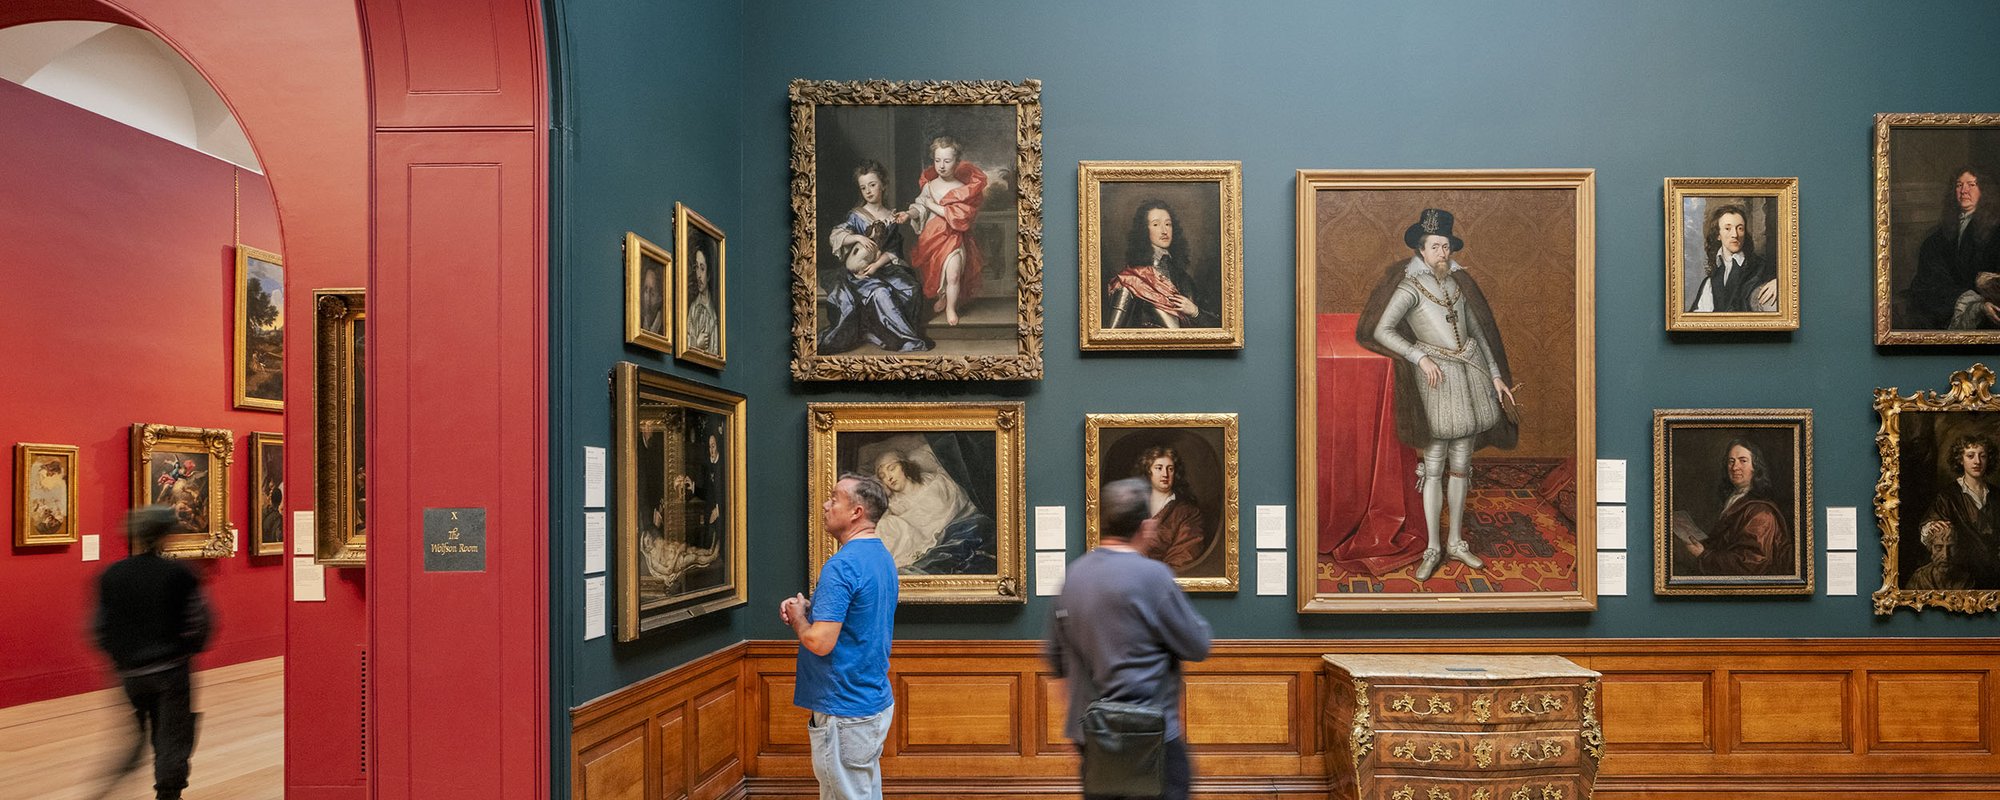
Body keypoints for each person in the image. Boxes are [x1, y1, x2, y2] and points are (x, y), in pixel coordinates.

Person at [1356, 208, 1518, 581]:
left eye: (1447, 246)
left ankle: (1457, 542)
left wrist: (1494, 374)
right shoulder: (1409, 287)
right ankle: (1432, 547)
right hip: (1437, 379)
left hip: (1471, 373)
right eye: (1435, 247)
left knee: (1462, 464)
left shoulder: (1458, 283)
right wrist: (1419, 355)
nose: (1443, 253)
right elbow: (1381, 330)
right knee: (1434, 464)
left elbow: (1478, 331)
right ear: (1421, 250)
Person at [1046, 477, 1212, 800]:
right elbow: (1198, 644)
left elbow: (1056, 661)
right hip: (1151, 739)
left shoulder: (1073, 577)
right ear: (1145, 527)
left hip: (1092, 738)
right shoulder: (1154, 577)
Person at [782, 473, 899, 800]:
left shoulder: (842, 566)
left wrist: (798, 620)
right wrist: (807, 609)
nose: (825, 504)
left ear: (856, 512)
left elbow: (820, 641)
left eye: (834, 499)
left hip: (844, 708)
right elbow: (853, 622)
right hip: (869, 703)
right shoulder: (881, 558)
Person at [93, 505, 213, 800]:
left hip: (130, 672)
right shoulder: (179, 574)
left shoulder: (112, 574)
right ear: (165, 534)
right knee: (173, 735)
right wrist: (187, 649)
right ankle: (168, 793)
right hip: (170, 669)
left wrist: (120, 657)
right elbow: (199, 621)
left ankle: (109, 783)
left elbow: (99, 626)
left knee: (135, 735)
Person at [820, 160, 932, 354]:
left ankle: (882, 332)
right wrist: (856, 237)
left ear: (883, 185)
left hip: (882, 268)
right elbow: (836, 235)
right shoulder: (856, 215)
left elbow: (894, 250)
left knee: (911, 288)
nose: (868, 191)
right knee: (881, 292)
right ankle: (905, 340)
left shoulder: (892, 216)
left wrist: (877, 265)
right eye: (863, 188)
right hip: (859, 274)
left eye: (872, 185)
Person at [1673, 439, 1793, 575]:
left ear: (1755, 466)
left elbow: (1751, 564)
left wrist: (1704, 554)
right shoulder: (1735, 499)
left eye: (1743, 460)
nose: (1735, 467)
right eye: (1731, 461)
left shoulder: (1761, 512)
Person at [1904, 166, 2000, 330]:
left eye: (1971, 185)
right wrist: (1974, 304)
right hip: (1950, 307)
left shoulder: (1996, 232)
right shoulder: (1936, 238)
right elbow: (1930, 280)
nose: (1964, 191)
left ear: (1984, 190)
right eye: (1959, 185)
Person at [906, 136, 987, 327]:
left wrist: (931, 204)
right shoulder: (929, 186)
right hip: (931, 238)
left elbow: (959, 217)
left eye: (947, 161)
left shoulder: (962, 189)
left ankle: (951, 307)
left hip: (955, 238)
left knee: (953, 274)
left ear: (957, 162)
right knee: (935, 273)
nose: (941, 166)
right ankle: (942, 296)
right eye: (937, 160)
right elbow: (920, 207)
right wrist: (909, 214)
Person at [870, 448, 992, 573]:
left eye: (892, 468)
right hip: (922, 540)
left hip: (952, 528)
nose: (889, 477)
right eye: (882, 476)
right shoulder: (893, 505)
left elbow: (957, 503)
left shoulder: (937, 484)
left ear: (904, 465)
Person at [1105, 200, 1218, 329]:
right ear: (1143, 230)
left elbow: (1217, 329)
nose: (1164, 231)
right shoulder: (1130, 280)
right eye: (1156, 224)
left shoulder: (1184, 279)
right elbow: (1112, 336)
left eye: (1168, 224)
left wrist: (1195, 312)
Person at [1918, 435, 1999, 587]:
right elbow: (1928, 526)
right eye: (1970, 456)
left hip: (1994, 572)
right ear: (1961, 460)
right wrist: (1931, 527)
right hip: (1963, 574)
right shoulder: (1948, 496)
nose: (1977, 461)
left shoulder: (1996, 494)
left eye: (1983, 456)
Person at [1686, 202, 1778, 313]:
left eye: (1740, 228)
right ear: (1718, 235)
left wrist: (1779, 283)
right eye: (1728, 228)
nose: (1735, 234)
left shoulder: (1762, 266)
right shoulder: (1711, 280)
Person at [1129, 446, 1207, 572]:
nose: (1165, 474)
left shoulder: (1187, 512)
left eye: (1170, 469)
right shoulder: (1133, 505)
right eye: (1159, 468)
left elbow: (1184, 555)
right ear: (1148, 471)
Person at [685, 247, 720, 353]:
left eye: (702, 269)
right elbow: (684, 343)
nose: (698, 275)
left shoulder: (714, 315)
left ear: (709, 274)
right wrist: (696, 344)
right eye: (696, 267)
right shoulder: (693, 308)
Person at [639, 263, 665, 334]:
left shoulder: (664, 328)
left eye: (652, 293)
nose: (647, 298)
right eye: (646, 290)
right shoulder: (638, 322)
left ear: (660, 297)